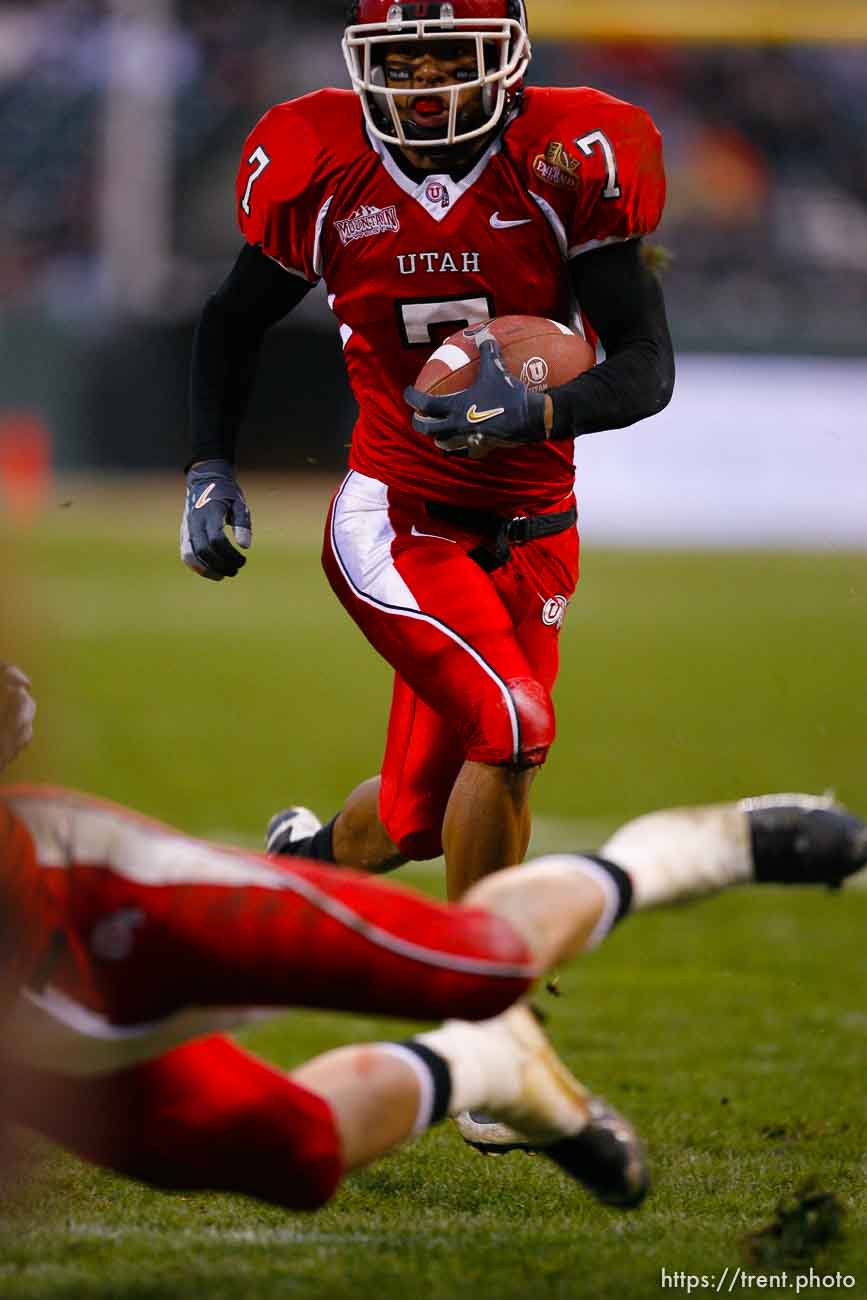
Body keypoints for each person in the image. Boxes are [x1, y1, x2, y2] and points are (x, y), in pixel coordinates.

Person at [2, 663, 864, 1205]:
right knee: (294, 1156)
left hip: (85, 903)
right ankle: (486, 1067)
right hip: (33, 1036)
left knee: (473, 966)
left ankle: (699, 851)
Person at [179, 1, 676, 900]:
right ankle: (485, 995)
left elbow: (645, 368)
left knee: (413, 822)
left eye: (448, 59)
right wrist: (210, 462)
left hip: (536, 525)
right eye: (400, 64)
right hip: (400, 518)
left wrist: (534, 412)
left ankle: (296, 864)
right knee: (514, 730)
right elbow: (231, 318)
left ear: (505, 59)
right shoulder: (322, 162)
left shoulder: (569, 162)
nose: (421, 88)